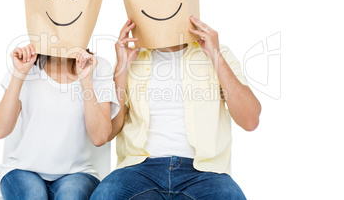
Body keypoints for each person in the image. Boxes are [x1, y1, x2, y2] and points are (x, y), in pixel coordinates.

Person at [91, 17, 261, 199]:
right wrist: (122, 68)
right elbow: (110, 131)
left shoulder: (218, 53)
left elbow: (250, 120)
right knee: (105, 195)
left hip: (205, 172)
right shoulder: (132, 57)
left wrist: (216, 55)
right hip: (138, 170)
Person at [0, 44, 119, 200]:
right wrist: (19, 73)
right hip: (22, 170)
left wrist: (86, 82)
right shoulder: (26, 63)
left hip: (77, 174)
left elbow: (99, 138)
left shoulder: (97, 67)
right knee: (33, 197)